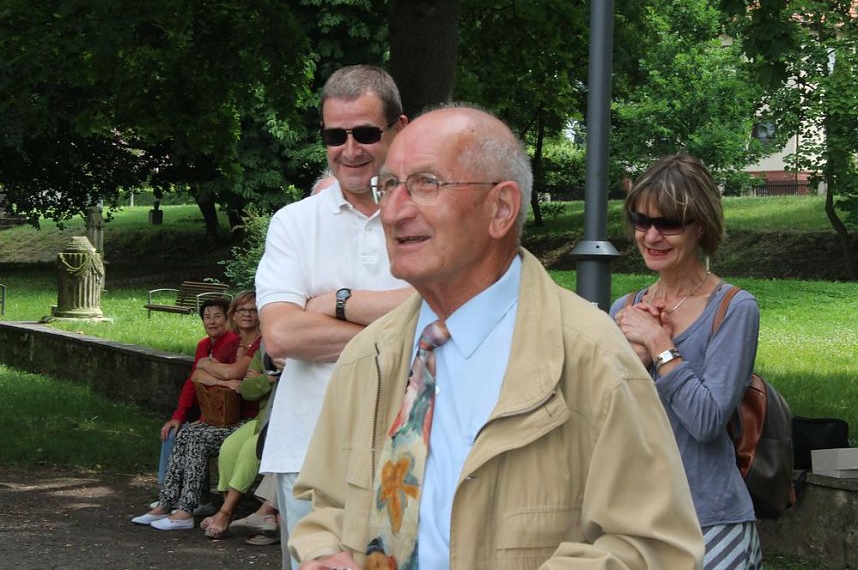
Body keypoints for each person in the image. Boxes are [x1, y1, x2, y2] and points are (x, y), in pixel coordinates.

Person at [288, 106, 705, 569]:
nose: (393, 211)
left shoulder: (591, 358)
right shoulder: (369, 355)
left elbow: (655, 546)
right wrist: (327, 554)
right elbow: (326, 506)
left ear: (501, 208)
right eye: (388, 186)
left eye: (426, 183)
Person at [255, 64, 413, 568]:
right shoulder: (293, 222)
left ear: (399, 129)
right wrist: (405, 323)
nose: (350, 149)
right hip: (307, 453)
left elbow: (454, 312)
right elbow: (280, 334)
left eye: (366, 132)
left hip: (408, 453)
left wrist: (339, 302)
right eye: (335, 134)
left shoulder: (430, 215)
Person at [610, 154, 762, 569]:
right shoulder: (625, 310)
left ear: (700, 227)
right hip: (635, 521)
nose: (652, 235)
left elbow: (707, 419)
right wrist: (637, 360)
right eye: (642, 221)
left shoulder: (733, 308)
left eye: (669, 223)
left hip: (710, 521)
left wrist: (660, 347)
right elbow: (605, 419)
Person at [132, 292, 262, 530]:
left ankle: (185, 511)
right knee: (183, 435)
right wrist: (217, 373)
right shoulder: (232, 343)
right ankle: (167, 502)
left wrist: (217, 370)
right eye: (242, 310)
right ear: (234, 314)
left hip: (247, 419)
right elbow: (199, 376)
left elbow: (230, 373)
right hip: (224, 416)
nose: (247, 315)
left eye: (253, 310)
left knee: (196, 438)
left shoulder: (260, 344)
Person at [200, 345, 279, 539]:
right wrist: (268, 379)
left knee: (248, 452)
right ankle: (228, 510)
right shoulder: (264, 351)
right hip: (263, 418)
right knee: (229, 448)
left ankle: (224, 513)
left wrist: (261, 379)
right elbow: (247, 390)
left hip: (280, 422)